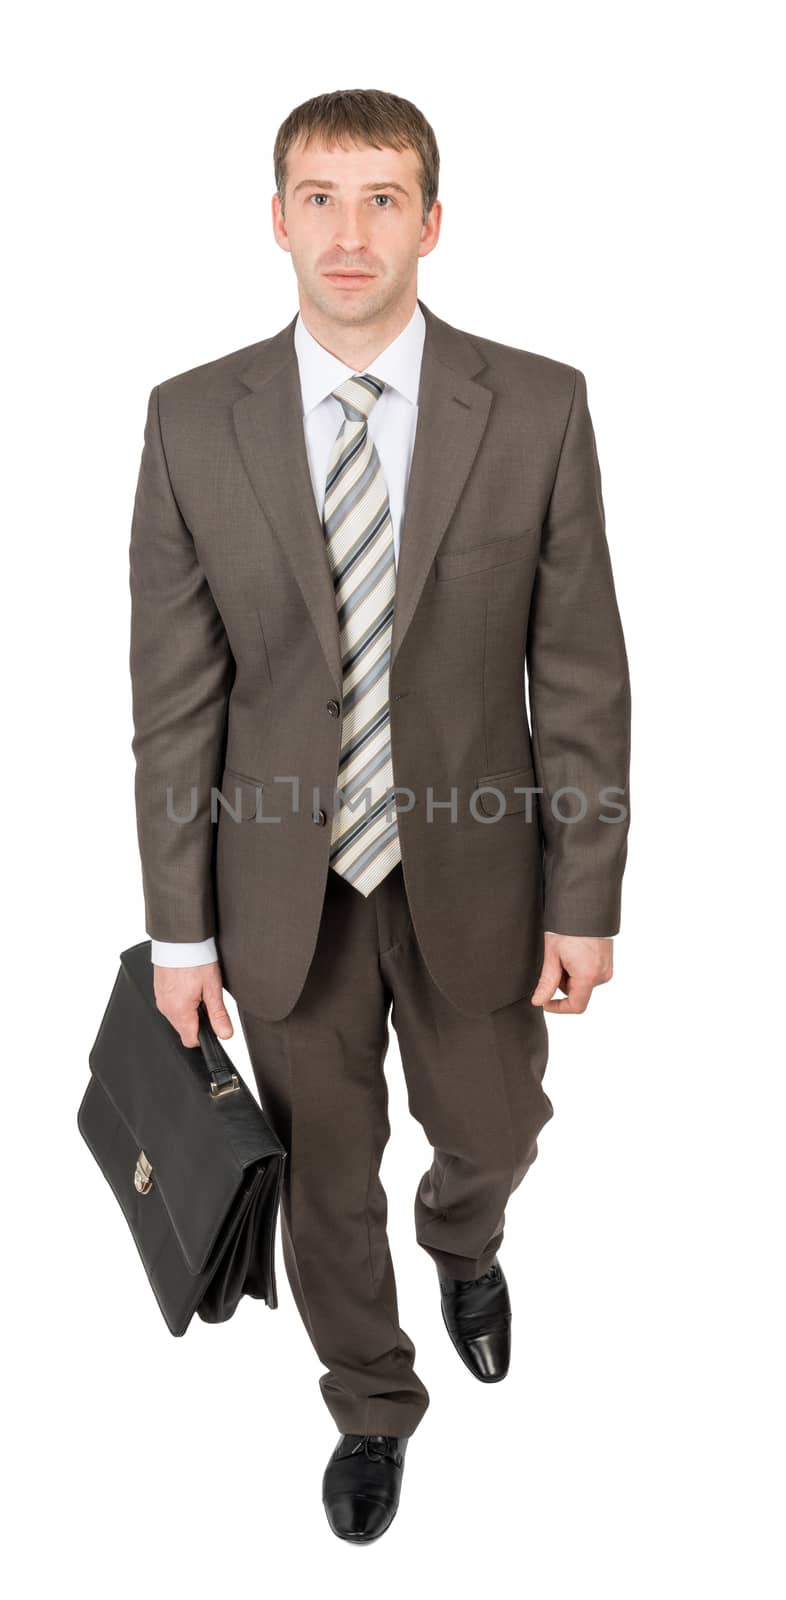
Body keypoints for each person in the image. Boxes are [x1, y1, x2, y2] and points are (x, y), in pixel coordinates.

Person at [129, 87, 631, 1544]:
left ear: (431, 220)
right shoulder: (188, 419)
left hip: (478, 865)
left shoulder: (536, 403)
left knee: (495, 1122)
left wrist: (584, 893)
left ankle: (463, 1238)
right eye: (319, 197)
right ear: (274, 218)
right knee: (322, 1171)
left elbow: (582, 665)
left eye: (382, 197)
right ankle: (369, 1400)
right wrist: (178, 931)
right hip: (279, 885)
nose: (349, 233)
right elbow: (175, 698)